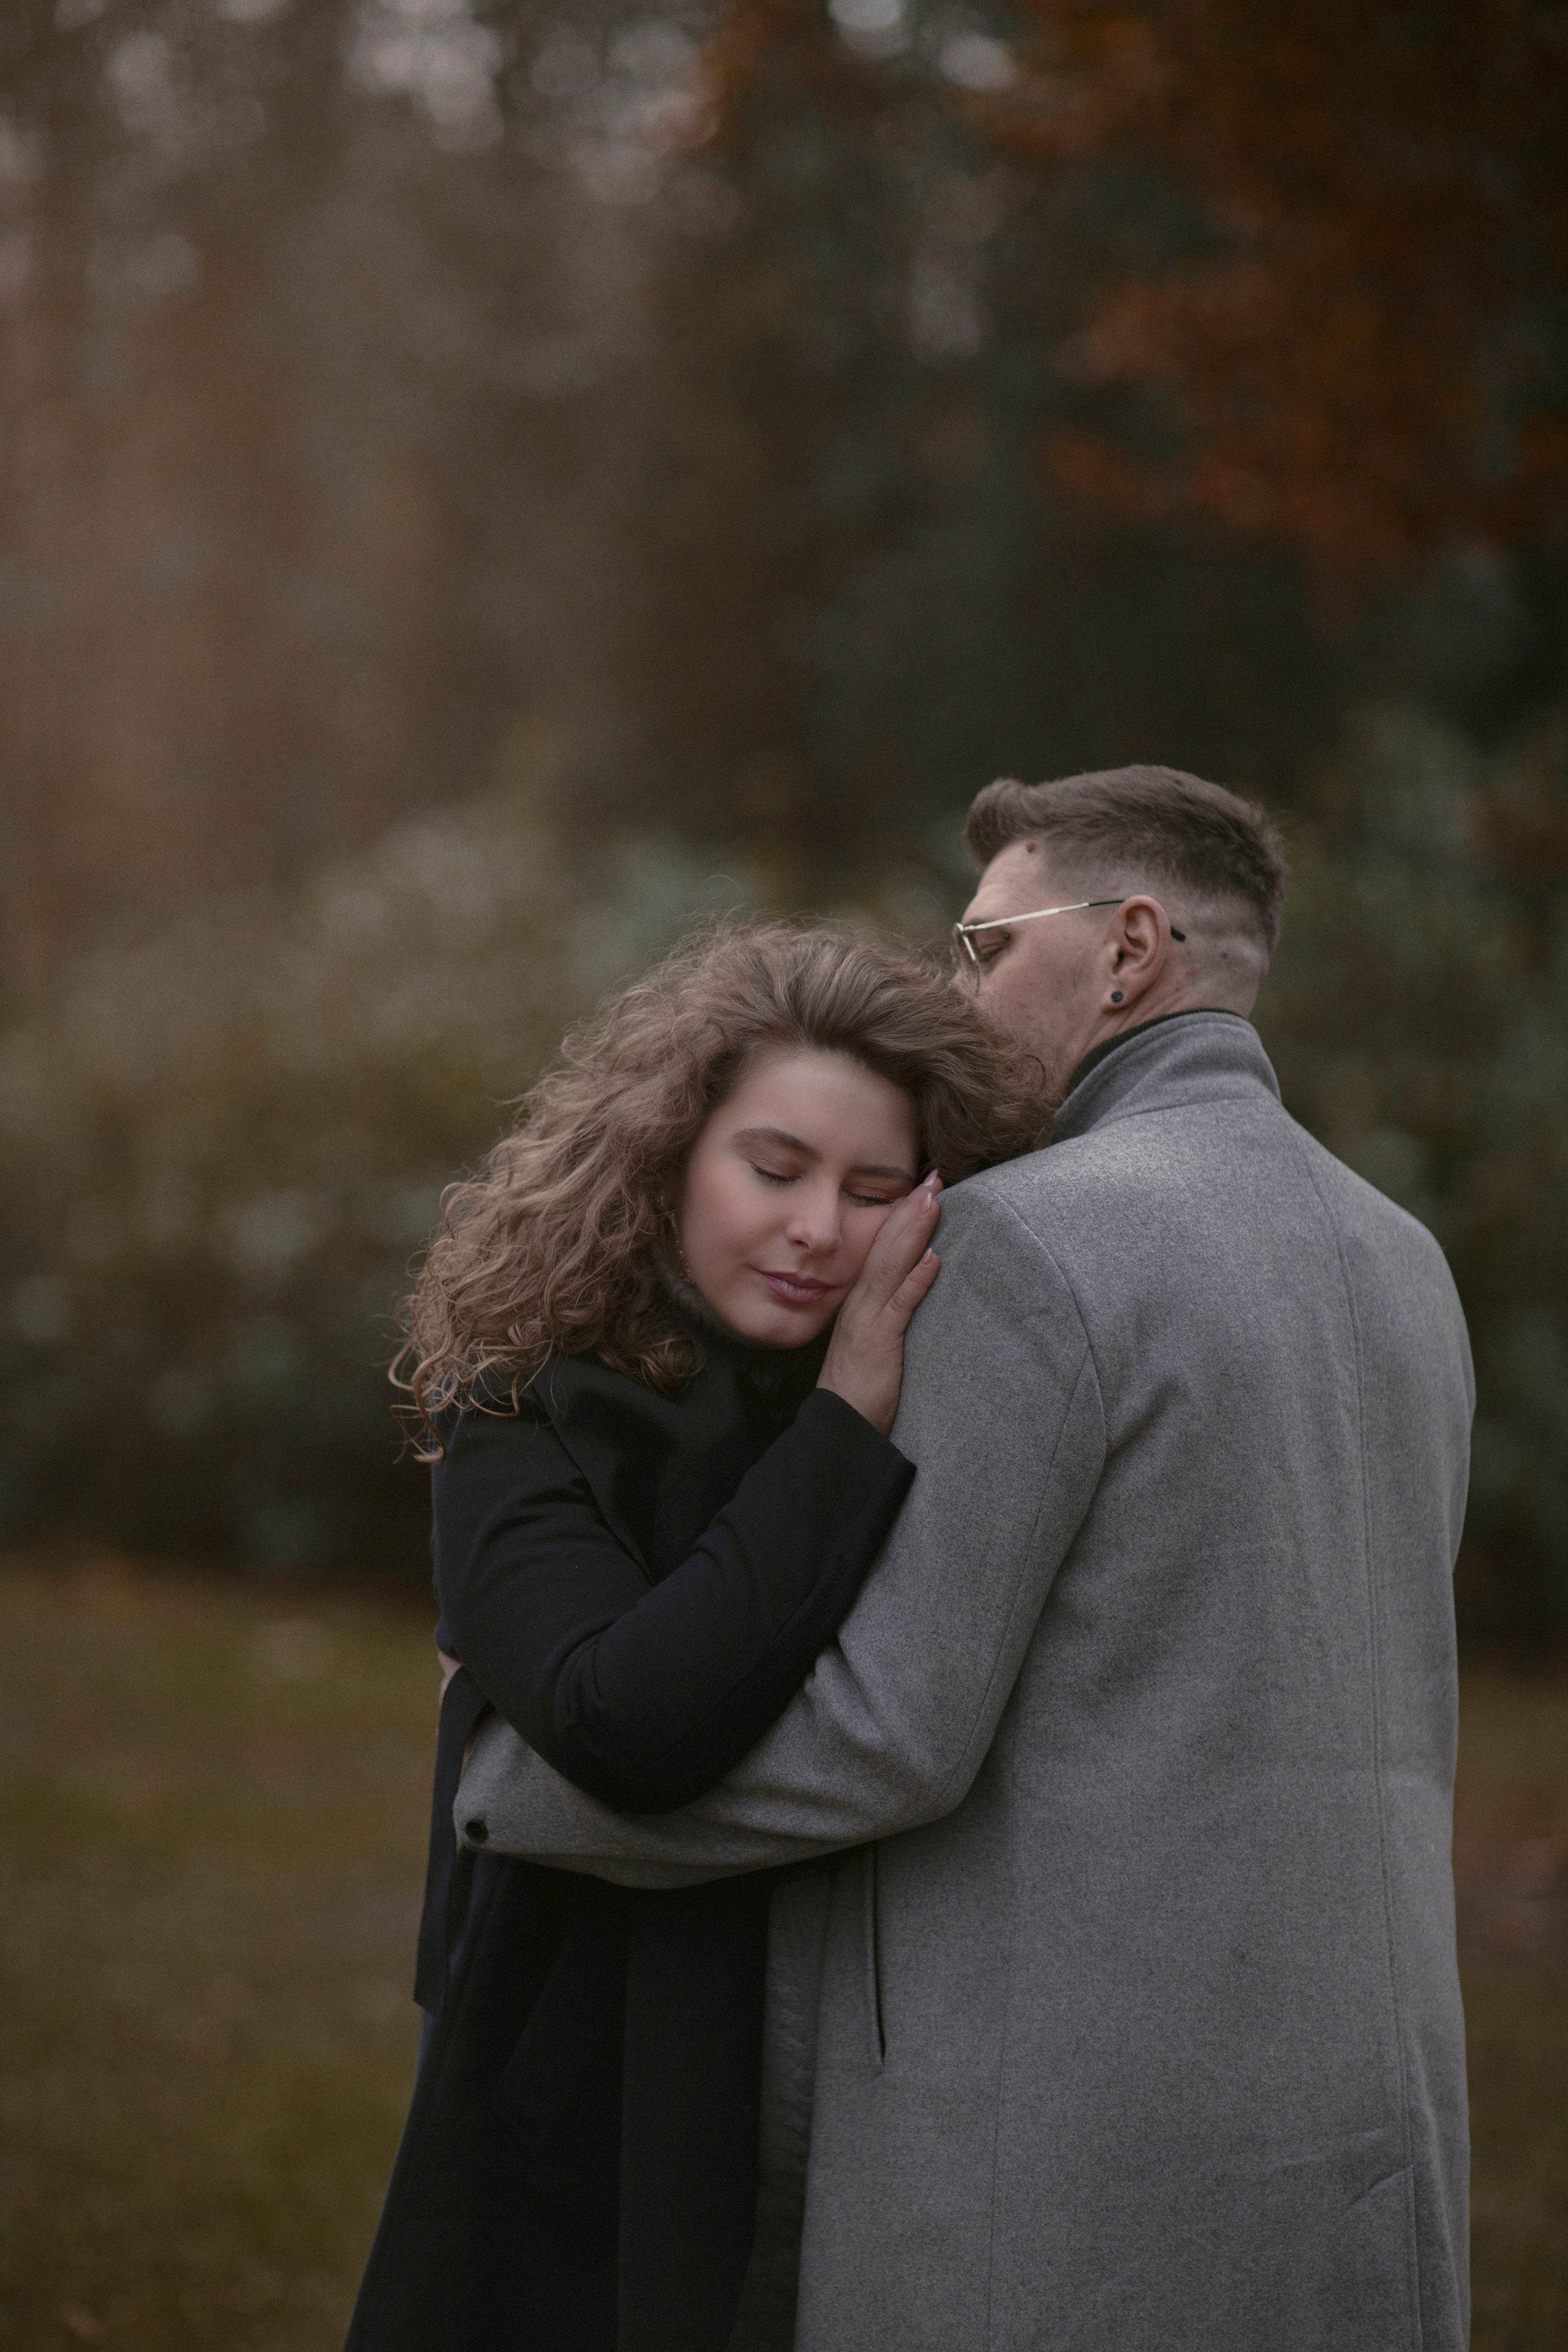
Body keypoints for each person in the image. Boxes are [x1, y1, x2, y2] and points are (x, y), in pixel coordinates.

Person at [461, 764, 1476, 2352]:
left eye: (986, 945)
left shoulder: (1027, 1242)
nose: (959, 984)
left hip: (1066, 2115)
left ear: (1129, 947)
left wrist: (517, 1779)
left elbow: (885, 1735)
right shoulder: (1404, 1259)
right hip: (1371, 2111)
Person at [343, 923, 1044, 2352]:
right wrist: (847, 1420)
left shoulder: (949, 1396)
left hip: (865, 2036)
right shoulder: (522, 1399)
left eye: (871, 1190)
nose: (814, 1232)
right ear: (667, 1155)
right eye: (772, 1169)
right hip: (576, 2043)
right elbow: (627, 1725)